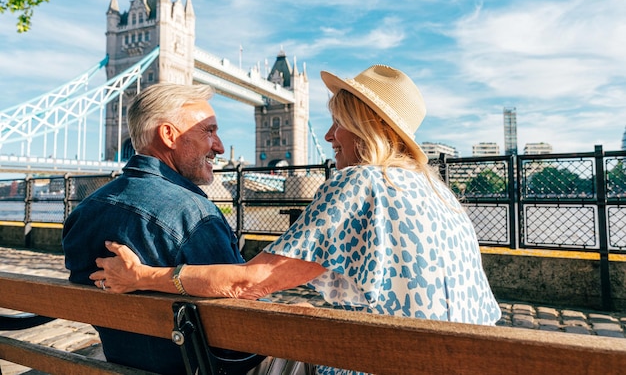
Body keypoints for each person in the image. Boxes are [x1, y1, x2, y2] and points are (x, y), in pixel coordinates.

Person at [90, 65, 502, 375]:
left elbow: (246, 282)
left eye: (337, 123)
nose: (327, 137)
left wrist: (142, 277)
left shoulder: (359, 183)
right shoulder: (438, 193)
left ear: (366, 129)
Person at [63, 83, 253, 374]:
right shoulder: (196, 216)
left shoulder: (82, 215)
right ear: (168, 135)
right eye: (209, 131)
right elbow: (243, 321)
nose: (220, 146)